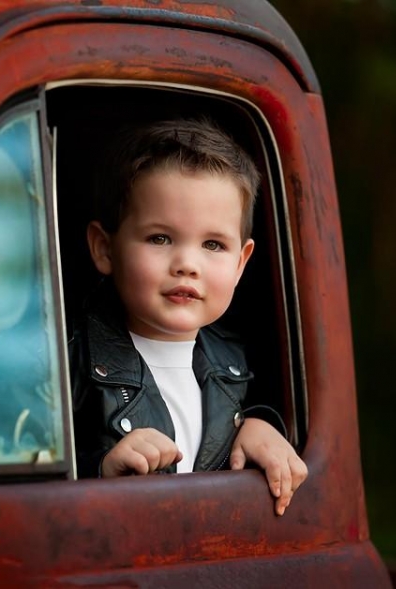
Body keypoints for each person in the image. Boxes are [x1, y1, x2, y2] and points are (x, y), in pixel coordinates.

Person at [69, 117, 307, 516]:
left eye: (213, 244)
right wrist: (100, 470)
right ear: (104, 249)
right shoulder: (69, 360)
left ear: (240, 263)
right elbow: (28, 480)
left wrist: (256, 427)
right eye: (160, 238)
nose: (187, 264)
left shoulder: (237, 367)